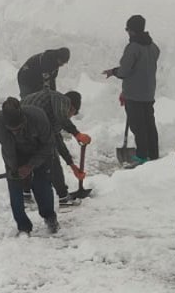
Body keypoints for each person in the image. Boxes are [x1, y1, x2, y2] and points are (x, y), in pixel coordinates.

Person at [0, 97, 58, 234]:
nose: (15, 132)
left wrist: (30, 166)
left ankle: (49, 217)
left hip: (39, 155)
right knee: (15, 194)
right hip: (13, 159)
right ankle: (23, 227)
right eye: (11, 130)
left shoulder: (37, 117)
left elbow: (49, 145)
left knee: (42, 187)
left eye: (18, 128)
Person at [103, 15, 159, 163]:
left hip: (134, 95)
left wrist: (114, 72)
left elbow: (124, 71)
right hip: (148, 93)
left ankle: (141, 156)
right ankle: (153, 155)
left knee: (138, 126)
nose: (127, 32)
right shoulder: (153, 47)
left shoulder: (133, 47)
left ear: (132, 30)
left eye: (127, 29)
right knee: (149, 125)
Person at [21, 89, 90, 204]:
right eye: (72, 114)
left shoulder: (50, 112)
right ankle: (63, 198)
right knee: (52, 159)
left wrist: (72, 165)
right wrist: (76, 133)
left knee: (27, 160)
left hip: (17, 128)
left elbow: (57, 141)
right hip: (27, 126)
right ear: (71, 107)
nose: (70, 117)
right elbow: (62, 117)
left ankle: (25, 194)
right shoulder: (60, 99)